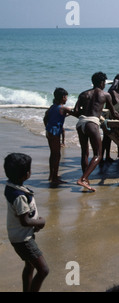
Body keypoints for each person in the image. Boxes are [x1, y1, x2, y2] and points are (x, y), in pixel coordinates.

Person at [73, 72, 119, 192]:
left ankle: (86, 181)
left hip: (80, 124)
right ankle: (83, 178)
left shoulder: (83, 94)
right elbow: (114, 113)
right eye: (104, 82)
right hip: (92, 123)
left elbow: (76, 112)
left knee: (84, 153)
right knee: (98, 155)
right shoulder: (105, 95)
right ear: (102, 83)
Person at [3, 153, 49, 292]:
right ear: (26, 174)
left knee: (29, 265)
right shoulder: (20, 197)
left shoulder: (11, 187)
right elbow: (25, 221)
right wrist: (39, 222)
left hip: (18, 236)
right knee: (43, 270)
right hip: (23, 239)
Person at [43, 87, 74, 187]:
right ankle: (55, 178)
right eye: (66, 97)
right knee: (57, 155)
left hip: (49, 131)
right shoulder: (63, 108)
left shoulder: (52, 107)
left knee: (53, 154)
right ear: (63, 97)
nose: (67, 99)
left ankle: (51, 175)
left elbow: (45, 118)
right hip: (55, 132)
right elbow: (76, 113)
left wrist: (47, 127)